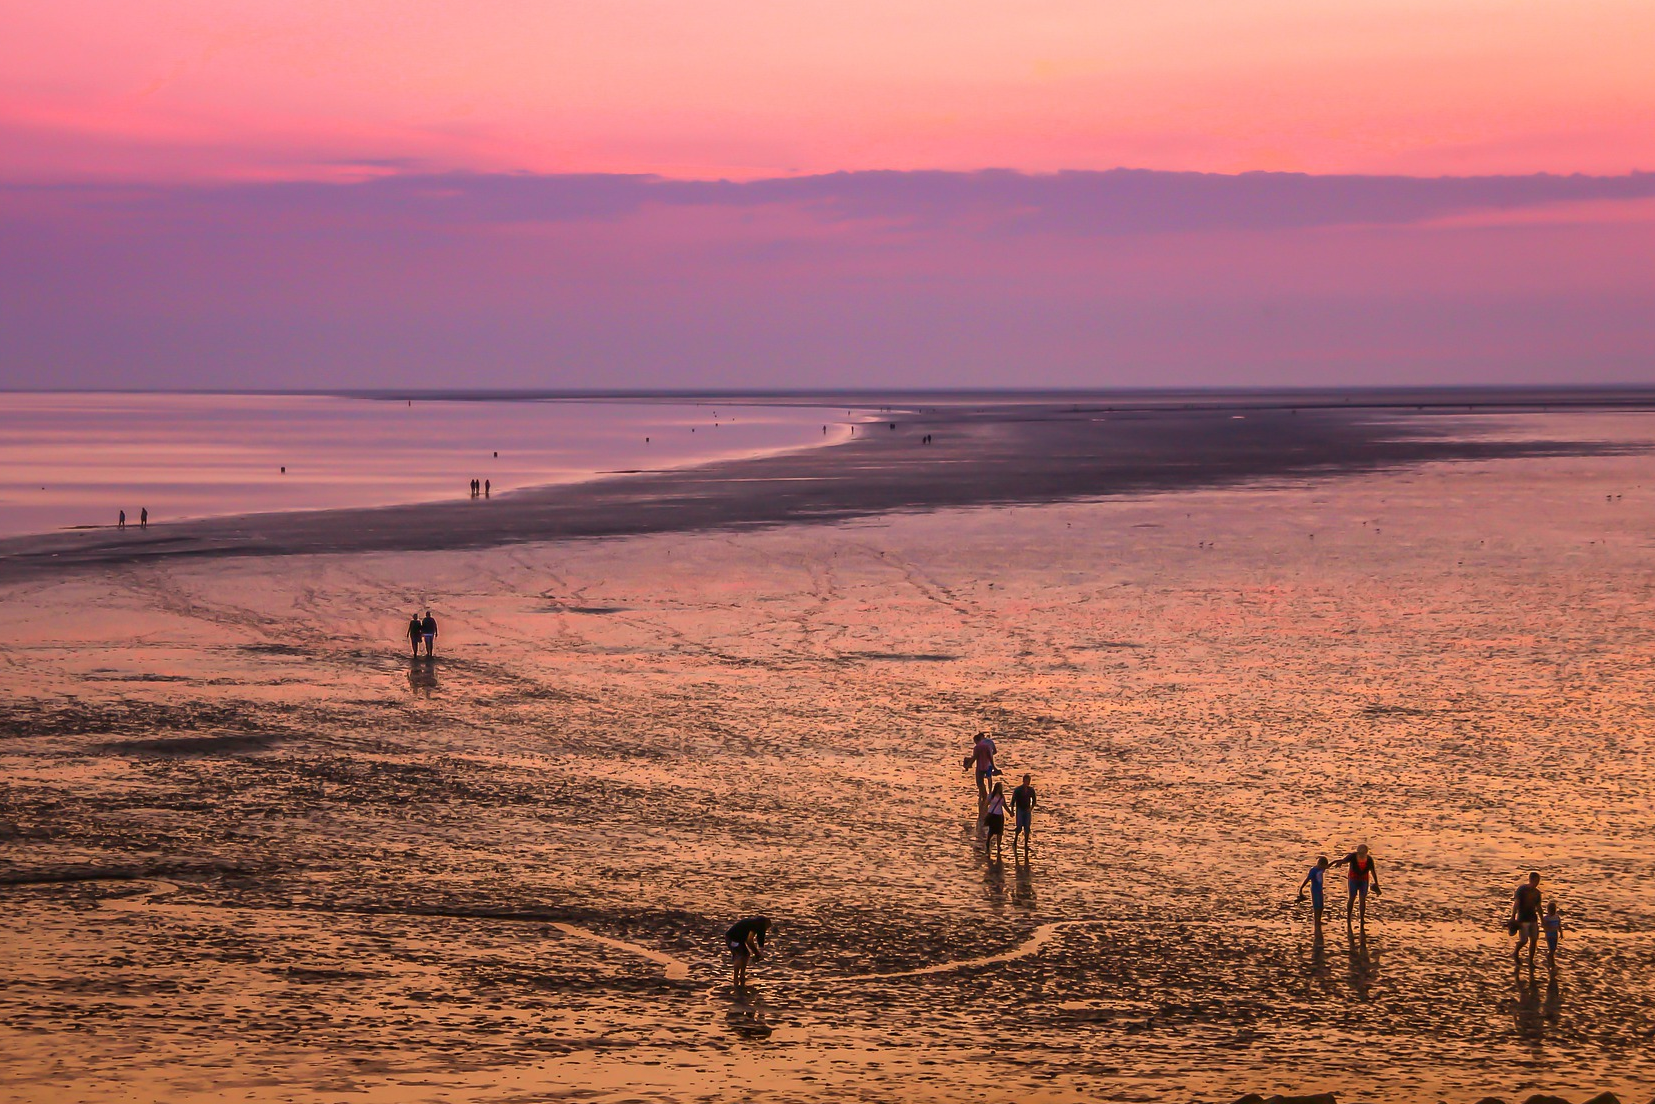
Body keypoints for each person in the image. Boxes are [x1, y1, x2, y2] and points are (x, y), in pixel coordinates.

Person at [1330, 845, 1381, 929]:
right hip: (1353, 880)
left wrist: (1376, 883)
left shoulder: (1369, 860)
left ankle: (1362, 918)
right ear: (1357, 852)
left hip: (1364, 881)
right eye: (1360, 854)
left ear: (1366, 853)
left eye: (1363, 854)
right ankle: (1348, 917)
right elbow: (1344, 861)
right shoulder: (1353, 856)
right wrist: (1338, 863)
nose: (1361, 855)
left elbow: (1372, 871)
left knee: (1362, 899)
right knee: (1352, 898)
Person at [725, 916, 771, 988]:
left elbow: (750, 940)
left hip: (739, 939)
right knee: (740, 955)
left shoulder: (754, 924)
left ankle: (742, 975)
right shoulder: (755, 925)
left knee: (746, 954)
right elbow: (749, 941)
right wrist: (757, 953)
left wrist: (757, 952)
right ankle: (735, 978)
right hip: (732, 938)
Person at [1512, 871, 1542, 971]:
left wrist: (1542, 920)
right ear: (1531, 880)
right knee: (1524, 940)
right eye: (1536, 881)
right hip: (1523, 919)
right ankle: (1516, 951)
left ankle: (1530, 962)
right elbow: (1516, 903)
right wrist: (1513, 917)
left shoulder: (1537, 893)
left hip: (1533, 919)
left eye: (1538, 881)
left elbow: (1539, 907)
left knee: (1534, 940)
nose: (1537, 883)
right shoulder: (1521, 890)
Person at [1297, 855, 1331, 929]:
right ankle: (1316, 921)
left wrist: (1338, 861)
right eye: (1323, 867)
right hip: (1315, 890)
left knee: (1321, 906)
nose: (1324, 870)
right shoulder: (1314, 870)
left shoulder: (1321, 869)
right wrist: (1301, 888)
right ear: (1320, 864)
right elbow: (1307, 879)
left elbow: (1329, 866)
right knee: (1316, 906)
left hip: (1320, 890)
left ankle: (1319, 920)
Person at [963, 732, 997, 799]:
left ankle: (984, 796)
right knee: (989, 778)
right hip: (987, 766)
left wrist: (969, 765)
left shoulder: (977, 747)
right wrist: (994, 767)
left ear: (976, 740)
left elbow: (975, 757)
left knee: (980, 783)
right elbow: (990, 757)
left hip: (980, 767)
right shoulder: (987, 746)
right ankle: (988, 794)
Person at [1011, 773, 1037, 855]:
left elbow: (1034, 801)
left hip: (1027, 810)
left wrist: (1031, 808)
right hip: (1020, 809)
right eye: (1026, 781)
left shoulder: (1031, 790)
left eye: (1029, 781)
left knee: (1027, 828)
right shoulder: (1018, 790)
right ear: (1023, 781)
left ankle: (1026, 844)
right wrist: (1012, 810)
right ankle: (1015, 840)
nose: (1027, 782)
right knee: (1019, 827)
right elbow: (1013, 801)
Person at [984, 782, 1007, 859]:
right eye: (999, 787)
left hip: (999, 815)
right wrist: (985, 813)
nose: (1000, 789)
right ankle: (988, 841)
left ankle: (998, 846)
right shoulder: (991, 795)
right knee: (991, 831)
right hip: (992, 814)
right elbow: (986, 804)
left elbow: (1004, 805)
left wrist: (1010, 812)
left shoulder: (1002, 796)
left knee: (1000, 832)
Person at [1543, 900, 1564, 969]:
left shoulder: (1557, 917)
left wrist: (1561, 933)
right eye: (1551, 910)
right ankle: (1552, 963)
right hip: (1549, 935)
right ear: (1548, 910)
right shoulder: (1546, 918)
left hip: (1555, 934)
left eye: (1554, 910)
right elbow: (1544, 926)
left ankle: (1549, 957)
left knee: (1554, 949)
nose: (1552, 911)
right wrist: (1546, 930)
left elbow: (1559, 925)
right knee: (1551, 949)